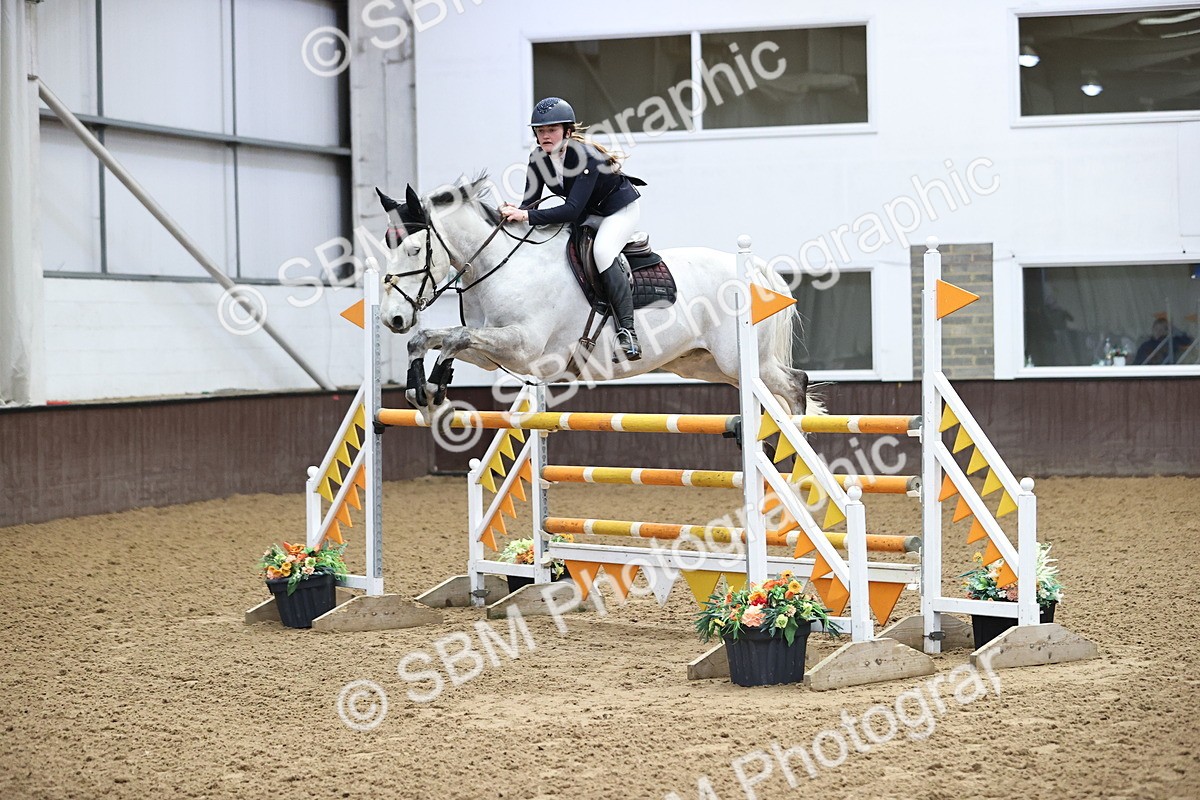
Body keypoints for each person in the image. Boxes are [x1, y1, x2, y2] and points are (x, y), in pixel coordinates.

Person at [500, 97, 645, 362]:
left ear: (567, 131)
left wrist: (525, 215)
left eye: (551, 130)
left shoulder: (583, 156)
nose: (545, 136)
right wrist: (513, 213)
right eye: (540, 131)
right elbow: (529, 204)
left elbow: (571, 210)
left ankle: (628, 333)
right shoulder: (537, 158)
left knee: (602, 252)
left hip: (617, 212)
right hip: (589, 214)